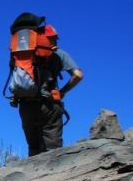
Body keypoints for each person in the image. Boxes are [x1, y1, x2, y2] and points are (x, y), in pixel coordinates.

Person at [12, 19, 83, 156]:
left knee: (33, 147)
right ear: (53, 38)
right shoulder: (60, 54)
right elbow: (78, 75)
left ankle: (34, 176)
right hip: (49, 104)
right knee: (53, 149)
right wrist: (63, 91)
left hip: (26, 105)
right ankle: (54, 176)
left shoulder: (23, 54)